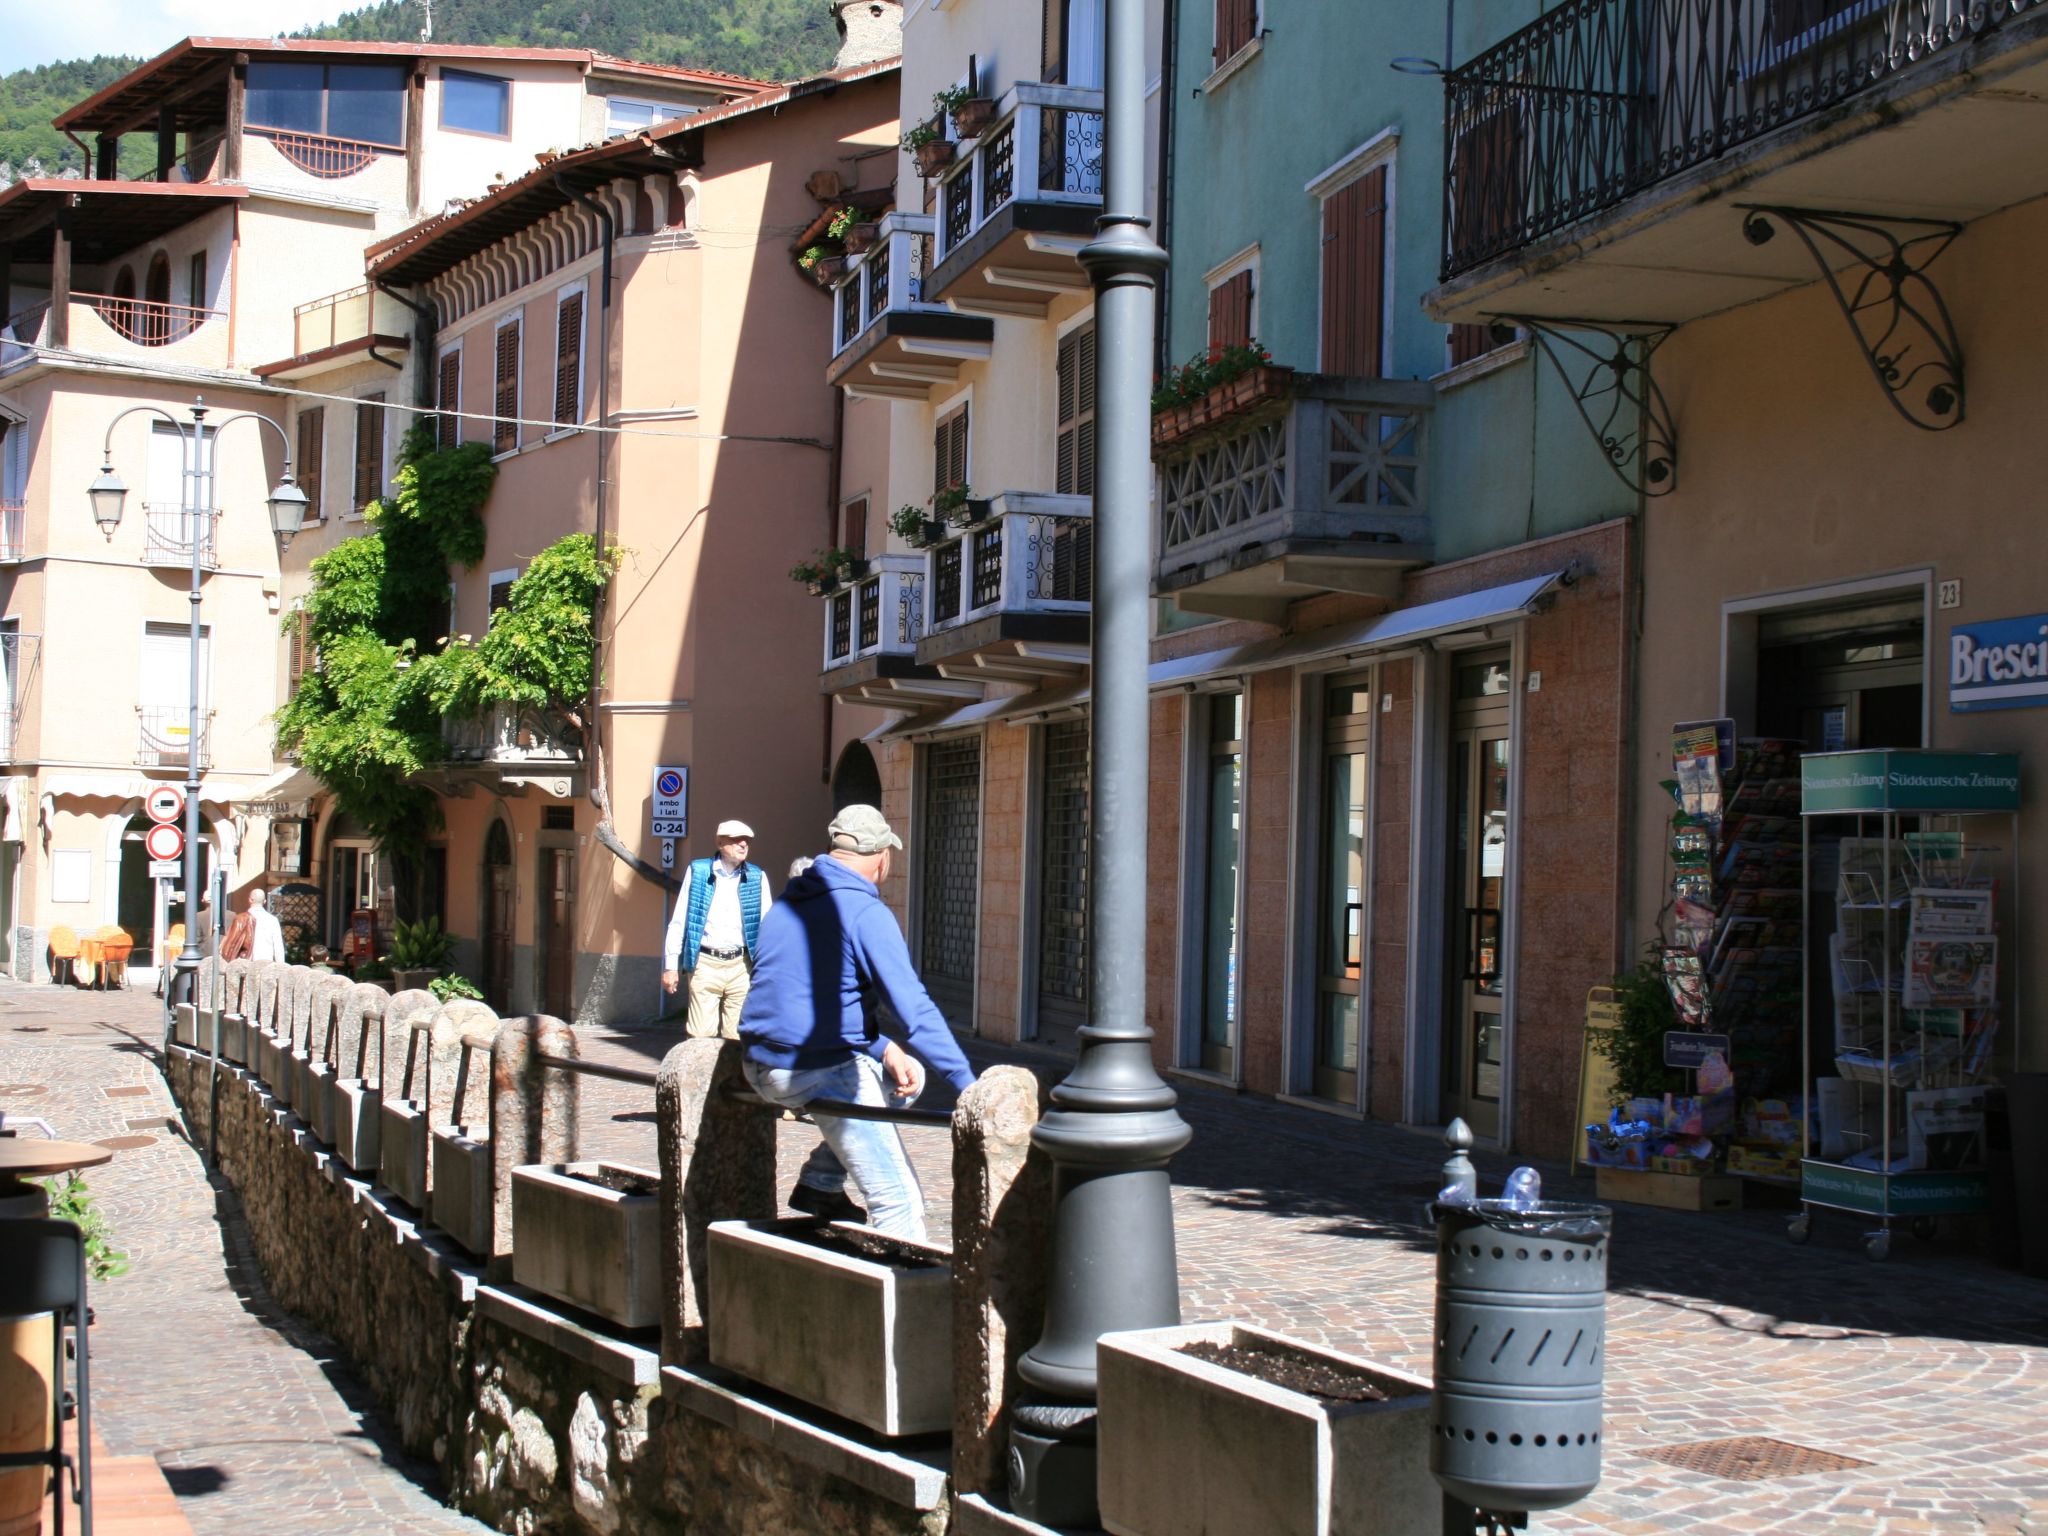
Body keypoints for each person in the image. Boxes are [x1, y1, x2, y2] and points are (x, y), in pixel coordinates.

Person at [738, 804, 974, 1239]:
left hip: (757, 1062)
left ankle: (821, 1183)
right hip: (815, 1068)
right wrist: (969, 1087)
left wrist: (883, 1048)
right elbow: (914, 1009)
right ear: (882, 857)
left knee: (909, 1078)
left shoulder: (793, 899)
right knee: (900, 1202)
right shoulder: (865, 912)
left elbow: (802, 998)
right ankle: (903, 1302)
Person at [661, 820, 773, 1040]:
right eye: (736, 840)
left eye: (746, 841)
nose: (743, 845)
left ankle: (731, 1075)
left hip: (741, 965)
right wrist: (670, 966)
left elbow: (768, 926)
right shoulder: (699, 871)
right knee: (700, 1036)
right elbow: (679, 921)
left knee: (738, 1037)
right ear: (720, 843)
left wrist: (767, 968)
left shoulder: (757, 877)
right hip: (705, 962)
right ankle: (703, 1075)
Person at [223, 888, 287, 965]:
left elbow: (231, 943)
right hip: (266, 964)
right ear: (264, 901)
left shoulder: (240, 919)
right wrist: (281, 967)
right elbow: (278, 947)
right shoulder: (273, 920)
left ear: (250, 900)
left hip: (245, 964)